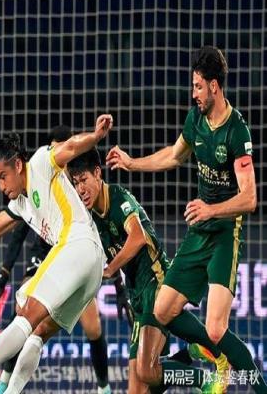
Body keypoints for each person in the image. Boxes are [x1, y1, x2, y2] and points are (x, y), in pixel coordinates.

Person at [106, 45, 267, 393]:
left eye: (197, 86)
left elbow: (250, 198)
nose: (193, 93)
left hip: (224, 235)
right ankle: (205, 355)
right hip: (198, 233)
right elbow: (174, 155)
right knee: (162, 309)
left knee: (216, 329)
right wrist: (132, 163)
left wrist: (211, 209)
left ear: (214, 86)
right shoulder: (195, 120)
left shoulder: (237, 132)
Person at [0, 114, 113, 394]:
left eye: (3, 177)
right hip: (92, 268)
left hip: (76, 243)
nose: (1, 186)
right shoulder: (20, 203)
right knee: (38, 333)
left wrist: (95, 137)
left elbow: (69, 147)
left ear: (18, 165)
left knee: (25, 312)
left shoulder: (41, 162)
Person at [69, 148, 232, 393]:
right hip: (137, 294)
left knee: (146, 371)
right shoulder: (90, 217)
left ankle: (204, 379)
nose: (80, 189)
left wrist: (110, 269)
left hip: (156, 282)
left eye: (83, 180)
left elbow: (138, 238)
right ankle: (191, 354)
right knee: (139, 389)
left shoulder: (118, 198)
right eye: (75, 183)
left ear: (98, 173)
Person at [0, 126, 133, 394]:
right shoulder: (37, 183)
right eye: (55, 147)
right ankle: (5, 382)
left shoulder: (78, 192)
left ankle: (104, 388)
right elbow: (16, 234)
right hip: (43, 255)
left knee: (93, 327)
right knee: (23, 308)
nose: (60, 153)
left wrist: (120, 287)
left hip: (74, 256)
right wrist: (3, 275)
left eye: (64, 148)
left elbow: (104, 241)